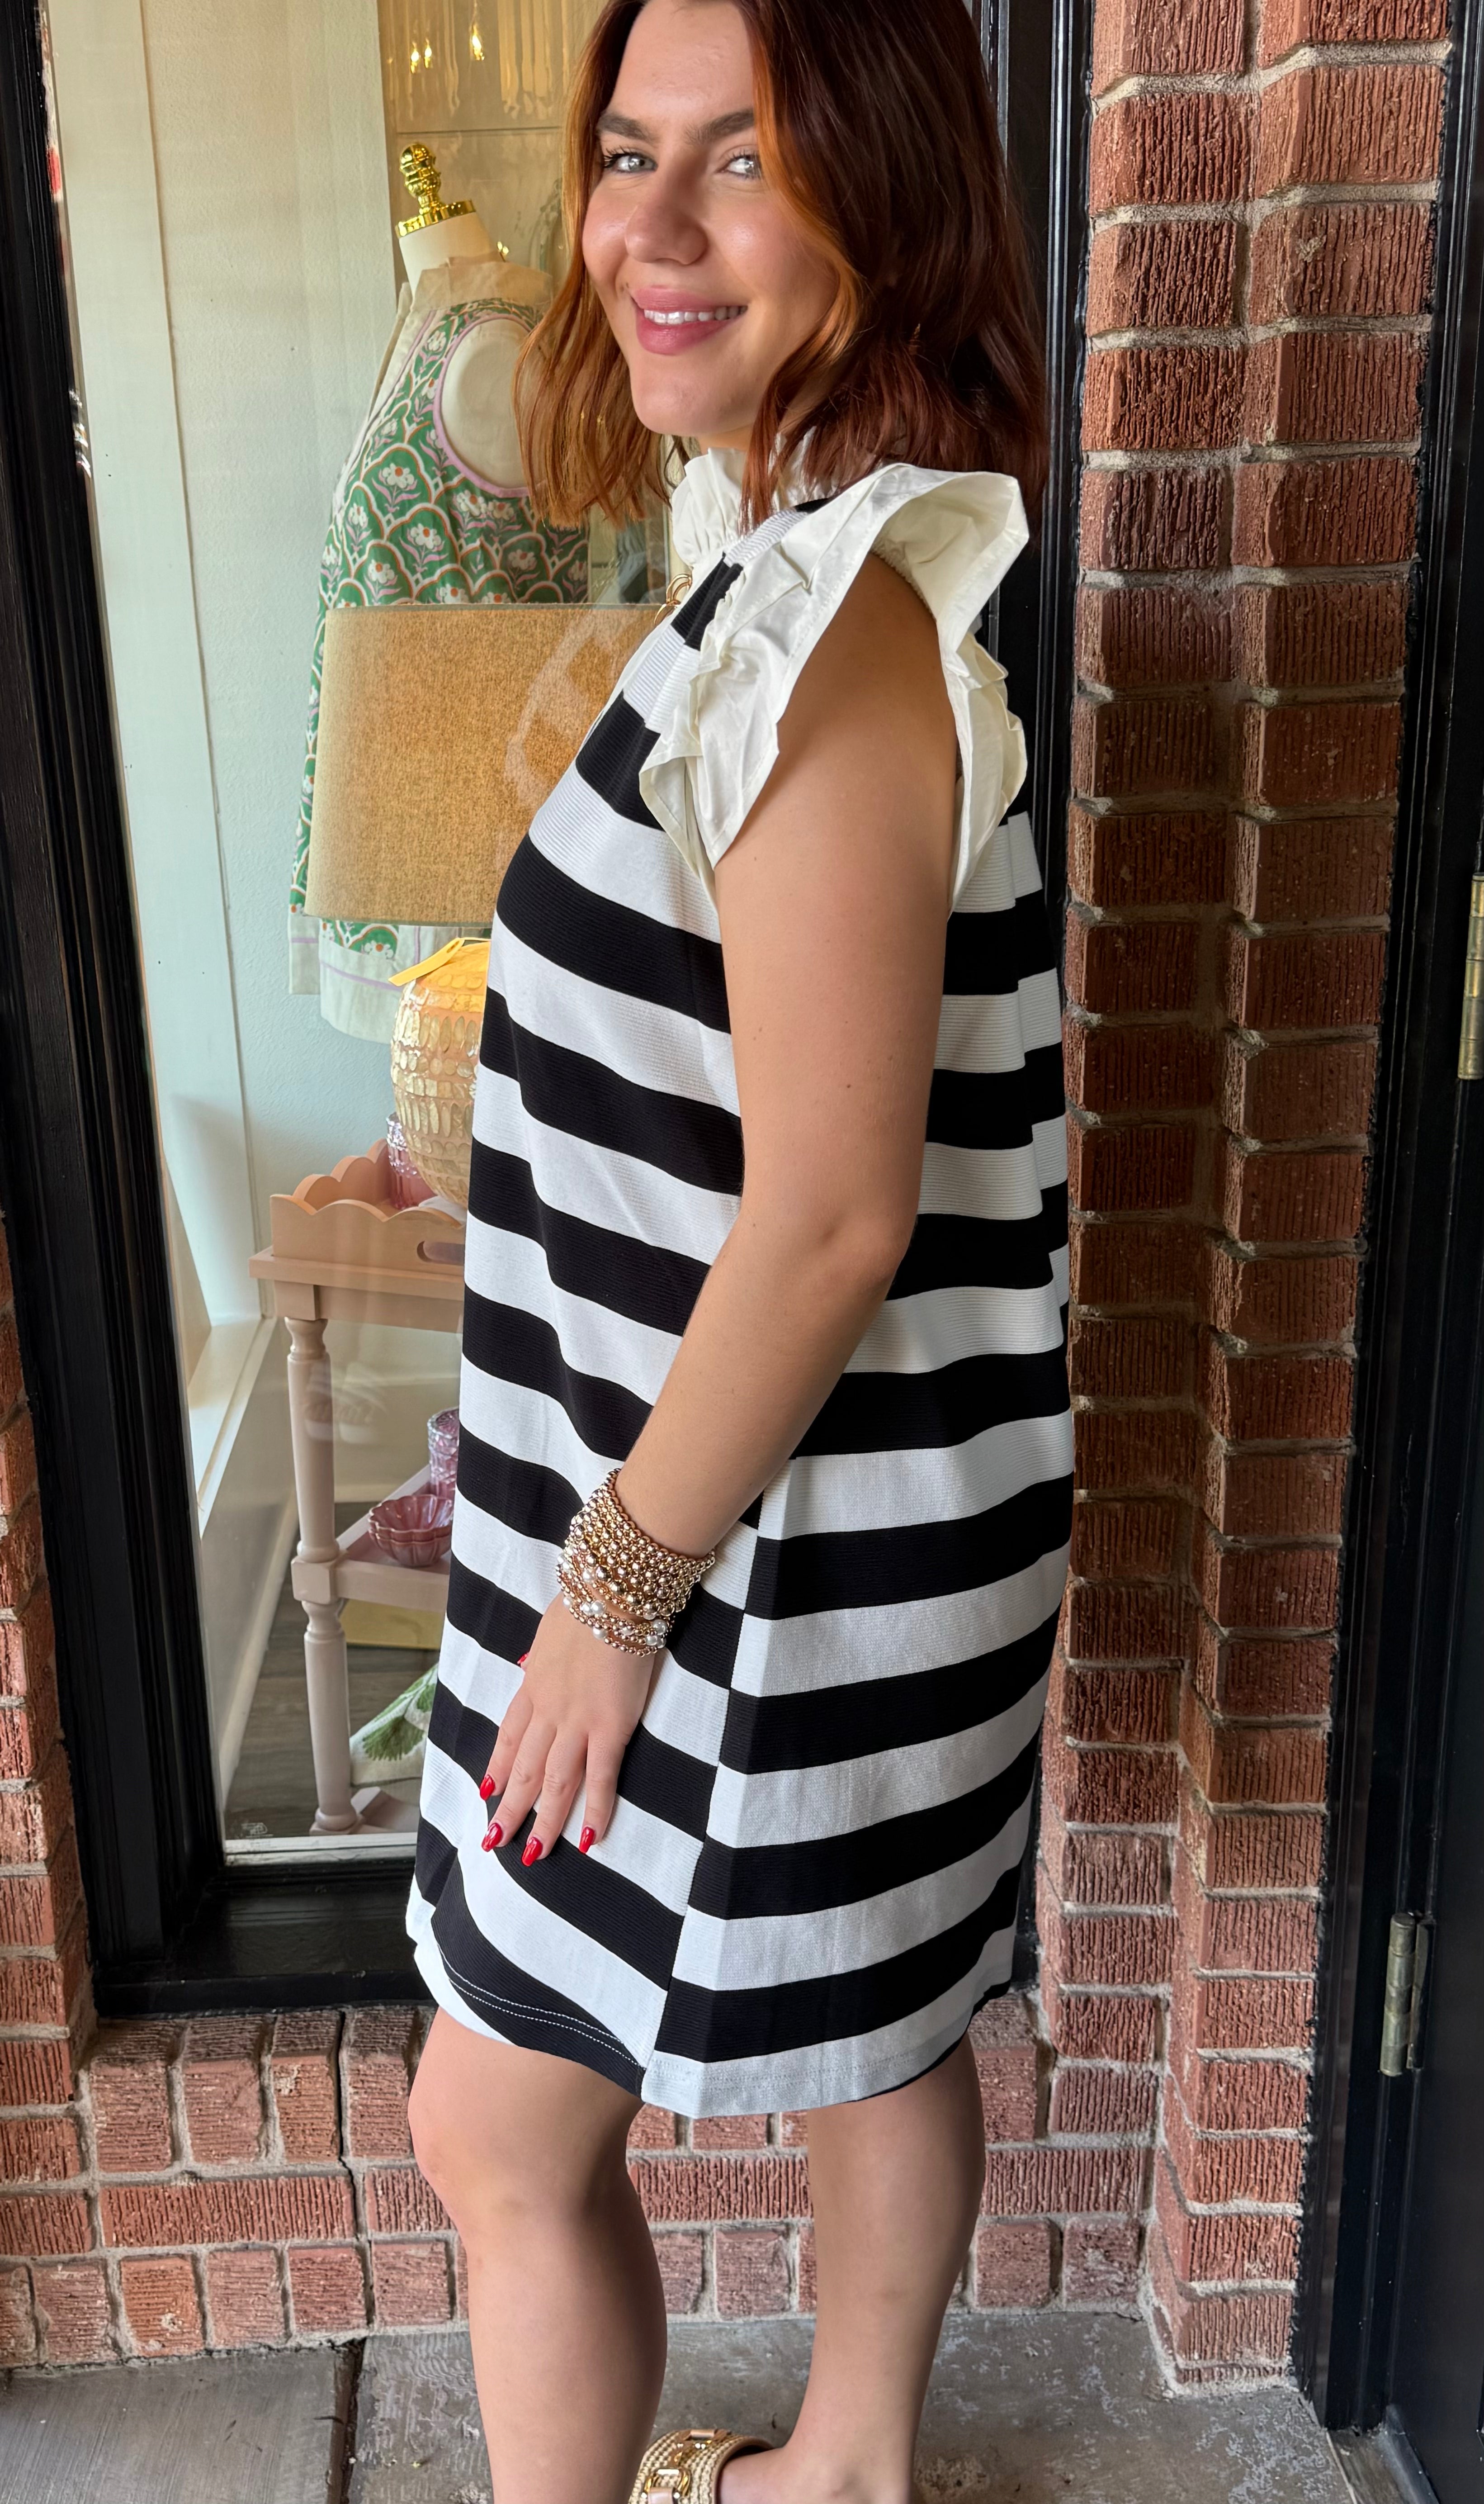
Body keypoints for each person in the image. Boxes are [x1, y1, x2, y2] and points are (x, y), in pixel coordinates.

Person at [406, 3, 1073, 2500]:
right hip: (781, 1512)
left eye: (743, 163)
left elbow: (826, 1215)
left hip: (740, 1550)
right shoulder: (789, 567)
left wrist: (606, 1595)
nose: (648, 230)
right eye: (624, 154)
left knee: (494, 2130)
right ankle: (846, 2474)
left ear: (879, 206)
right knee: (883, 2011)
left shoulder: (836, 632)